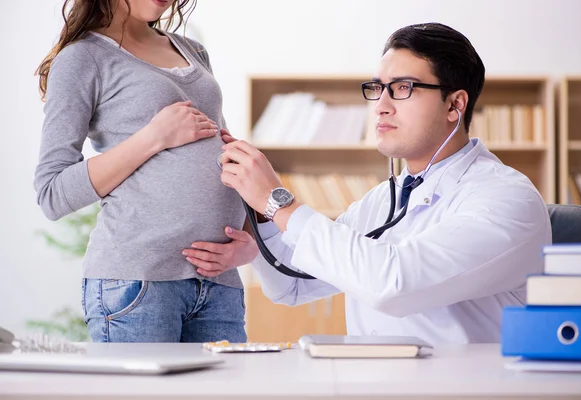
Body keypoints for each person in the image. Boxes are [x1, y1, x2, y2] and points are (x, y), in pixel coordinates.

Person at [186, 22, 552, 345]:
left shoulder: (506, 198)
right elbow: (292, 284)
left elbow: (394, 283)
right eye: (378, 89)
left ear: (454, 105)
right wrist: (261, 209)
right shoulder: (383, 201)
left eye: (403, 88)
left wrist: (278, 202)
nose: (381, 105)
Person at [34, 0, 258, 343]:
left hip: (219, 284)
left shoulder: (192, 50)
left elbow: (226, 157)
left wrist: (249, 243)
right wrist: (154, 137)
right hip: (138, 284)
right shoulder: (83, 58)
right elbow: (52, 193)